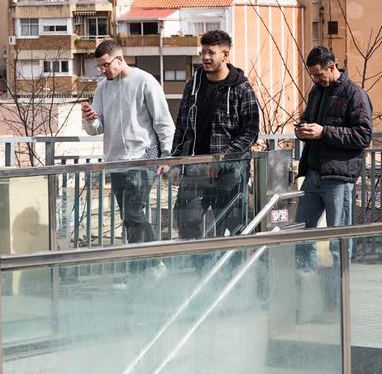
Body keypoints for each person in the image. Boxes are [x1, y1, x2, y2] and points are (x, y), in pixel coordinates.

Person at [82, 40, 175, 248]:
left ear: (120, 59)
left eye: (106, 65)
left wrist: (166, 155)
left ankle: (152, 259)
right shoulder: (102, 88)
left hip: (144, 157)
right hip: (115, 161)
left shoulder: (145, 81)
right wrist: (89, 119)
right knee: (129, 216)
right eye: (99, 66)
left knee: (133, 211)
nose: (102, 70)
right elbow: (97, 128)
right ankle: (144, 261)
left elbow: (163, 121)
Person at [171, 30, 260, 239]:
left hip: (229, 172)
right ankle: (197, 259)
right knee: (186, 222)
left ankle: (231, 260)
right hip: (195, 169)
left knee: (230, 226)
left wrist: (221, 159)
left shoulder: (241, 88)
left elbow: (251, 132)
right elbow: (182, 126)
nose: (205, 57)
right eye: (203, 52)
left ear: (225, 54)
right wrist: (175, 161)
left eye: (211, 53)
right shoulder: (193, 85)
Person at [294, 46, 372, 268]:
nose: (316, 79)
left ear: (331, 67)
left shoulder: (355, 94)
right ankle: (304, 278)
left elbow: (363, 136)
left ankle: (339, 284)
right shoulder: (317, 91)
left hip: (338, 178)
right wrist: (302, 130)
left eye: (319, 74)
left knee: (338, 237)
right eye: (313, 75)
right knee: (301, 232)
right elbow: (307, 118)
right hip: (313, 173)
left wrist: (324, 132)